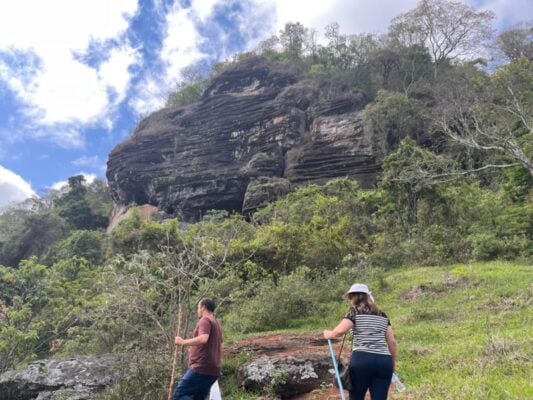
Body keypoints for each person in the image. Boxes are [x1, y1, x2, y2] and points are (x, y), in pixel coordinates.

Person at [324, 283, 397, 400]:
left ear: (352, 297)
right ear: (367, 296)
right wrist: (392, 364)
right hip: (384, 362)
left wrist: (328, 333)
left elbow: (339, 332)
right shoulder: (383, 315)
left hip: (362, 360)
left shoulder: (354, 312)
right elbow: (392, 342)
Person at [173, 298, 223, 400]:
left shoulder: (205, 320)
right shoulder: (216, 323)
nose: (197, 311)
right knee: (197, 397)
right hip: (213, 370)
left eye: (198, 308)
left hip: (201, 367)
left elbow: (203, 339)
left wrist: (182, 342)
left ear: (203, 307)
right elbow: (219, 342)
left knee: (179, 394)